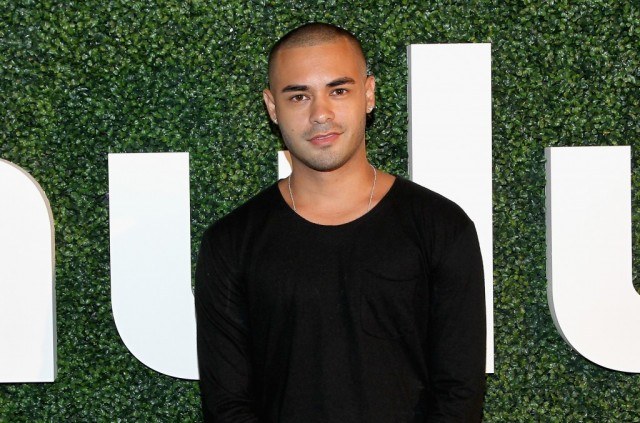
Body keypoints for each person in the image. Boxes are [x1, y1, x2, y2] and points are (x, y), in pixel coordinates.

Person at [195, 22, 486, 422]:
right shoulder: (231, 243)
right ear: (272, 107)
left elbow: (459, 396)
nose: (320, 114)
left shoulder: (441, 227)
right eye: (299, 96)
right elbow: (227, 406)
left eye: (338, 90)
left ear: (368, 94)